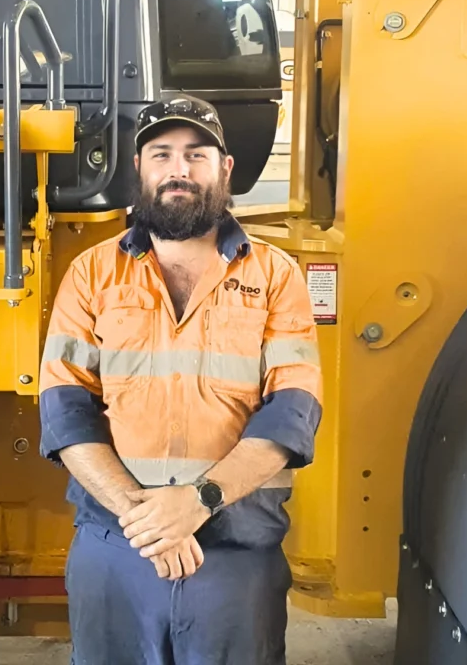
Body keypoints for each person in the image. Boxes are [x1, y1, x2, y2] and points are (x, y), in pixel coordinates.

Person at [38, 93, 323, 665]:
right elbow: (66, 408)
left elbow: (293, 407)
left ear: (225, 169)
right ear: (140, 168)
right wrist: (146, 520)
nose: (179, 170)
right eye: (161, 153)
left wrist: (198, 502)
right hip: (117, 545)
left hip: (236, 546)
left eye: (197, 155)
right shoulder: (92, 274)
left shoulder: (275, 275)